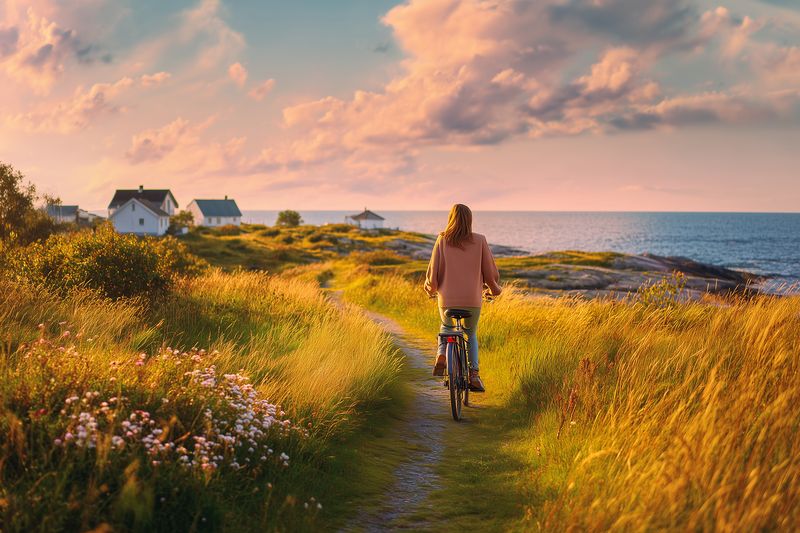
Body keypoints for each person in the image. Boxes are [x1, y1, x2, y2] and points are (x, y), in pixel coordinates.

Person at [424, 204, 502, 392]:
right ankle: (474, 375)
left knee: (447, 326)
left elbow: (433, 276)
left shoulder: (442, 240)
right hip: (472, 300)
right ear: (470, 220)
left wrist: (429, 288)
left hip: (447, 300)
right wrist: (494, 290)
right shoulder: (480, 240)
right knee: (471, 333)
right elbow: (490, 275)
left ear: (451, 218)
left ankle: (442, 354)